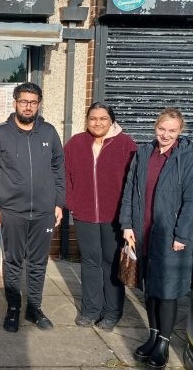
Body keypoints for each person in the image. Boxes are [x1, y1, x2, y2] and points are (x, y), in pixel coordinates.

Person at [121, 108, 193, 370]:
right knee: (150, 288)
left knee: (167, 292)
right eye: (161, 129)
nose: (165, 135)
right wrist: (127, 224)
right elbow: (130, 190)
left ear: (180, 132)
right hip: (143, 232)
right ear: (155, 127)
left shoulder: (187, 158)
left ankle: (164, 343)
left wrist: (182, 234)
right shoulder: (144, 153)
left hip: (170, 236)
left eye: (172, 131)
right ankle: (153, 335)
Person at [0, 81, 65, 333]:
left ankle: (34, 309)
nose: (28, 106)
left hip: (43, 212)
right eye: (23, 101)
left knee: (38, 263)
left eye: (33, 102)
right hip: (12, 212)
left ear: (39, 104)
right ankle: (13, 309)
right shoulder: (0, 134)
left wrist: (58, 203)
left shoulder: (49, 133)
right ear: (15, 103)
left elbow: (58, 170)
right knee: (14, 262)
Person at [64, 102, 137, 331]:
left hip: (113, 216)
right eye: (93, 118)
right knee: (90, 262)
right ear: (87, 120)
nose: (98, 123)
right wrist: (71, 202)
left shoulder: (125, 144)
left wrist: (129, 214)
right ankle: (90, 309)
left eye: (103, 118)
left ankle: (112, 311)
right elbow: (64, 174)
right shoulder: (76, 143)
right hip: (85, 214)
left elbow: (134, 181)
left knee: (111, 262)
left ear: (111, 120)